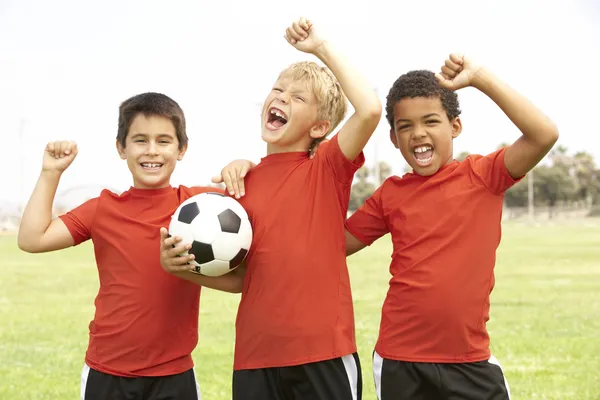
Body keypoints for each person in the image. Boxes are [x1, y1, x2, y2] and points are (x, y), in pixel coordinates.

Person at [161, 17, 381, 400]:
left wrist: (320, 49)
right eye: (278, 90)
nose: (281, 98)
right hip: (255, 358)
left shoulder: (326, 167)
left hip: (323, 352)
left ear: (319, 126)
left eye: (298, 98)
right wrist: (181, 270)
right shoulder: (237, 189)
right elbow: (242, 279)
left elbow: (370, 110)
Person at [343, 54, 559, 399]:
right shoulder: (390, 195)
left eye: (430, 121)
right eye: (406, 126)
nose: (418, 134)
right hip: (400, 360)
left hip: (469, 361)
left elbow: (544, 134)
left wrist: (480, 78)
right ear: (394, 138)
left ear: (455, 126)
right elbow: (334, 243)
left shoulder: (484, 176)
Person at [18, 92, 244, 400]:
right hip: (107, 371)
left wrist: (244, 166)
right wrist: (50, 173)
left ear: (182, 149)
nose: (152, 151)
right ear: (121, 148)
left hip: (174, 374)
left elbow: (259, 212)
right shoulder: (102, 209)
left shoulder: (203, 206)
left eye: (164, 141)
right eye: (140, 140)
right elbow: (32, 239)